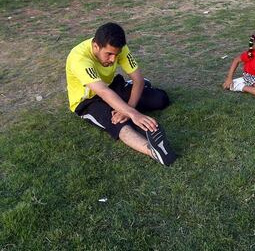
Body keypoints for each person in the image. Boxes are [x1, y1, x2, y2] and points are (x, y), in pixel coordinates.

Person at [66, 23, 177, 166]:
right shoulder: (79, 59)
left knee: (160, 99)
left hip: (111, 87)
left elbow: (139, 79)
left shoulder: (120, 48)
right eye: (109, 54)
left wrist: (129, 108)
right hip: (88, 101)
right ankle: (153, 151)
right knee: (119, 124)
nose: (113, 59)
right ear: (95, 47)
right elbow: (103, 92)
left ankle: (127, 90)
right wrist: (134, 114)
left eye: (116, 55)